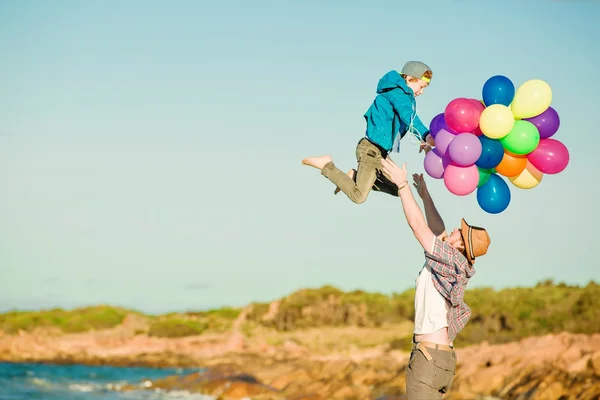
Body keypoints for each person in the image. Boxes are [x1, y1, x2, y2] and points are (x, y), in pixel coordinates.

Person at [380, 157, 492, 399]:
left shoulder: (450, 260)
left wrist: (402, 186)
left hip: (428, 358)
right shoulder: (454, 263)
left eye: (458, 232)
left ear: (460, 244)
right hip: (439, 358)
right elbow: (438, 229)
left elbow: (418, 226)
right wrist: (425, 195)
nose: (453, 230)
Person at [301, 61, 436, 204]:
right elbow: (408, 116)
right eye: (421, 86)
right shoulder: (398, 94)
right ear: (410, 79)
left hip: (381, 153)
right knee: (358, 196)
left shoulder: (401, 95)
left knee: (400, 188)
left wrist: (422, 141)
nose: (421, 92)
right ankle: (327, 165)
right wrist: (426, 135)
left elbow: (404, 122)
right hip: (370, 151)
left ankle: (355, 177)